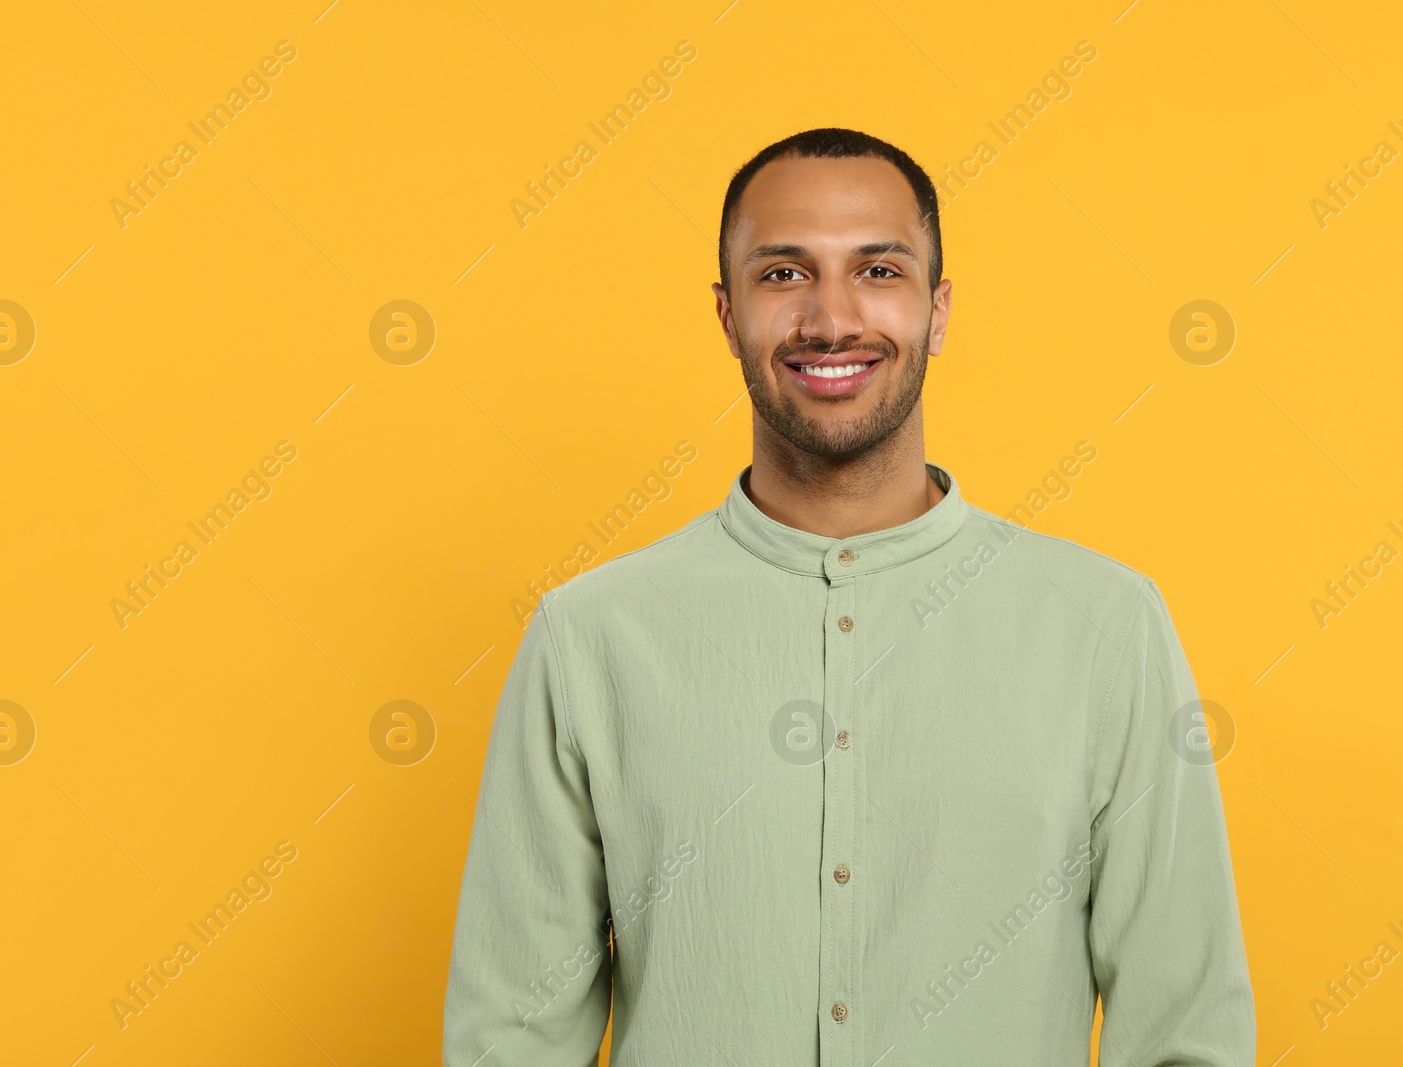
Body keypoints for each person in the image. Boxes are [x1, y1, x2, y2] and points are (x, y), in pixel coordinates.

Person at [443, 127, 1254, 1065]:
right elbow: (510, 1038)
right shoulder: (589, 637)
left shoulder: (1104, 625)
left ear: (938, 311)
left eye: (878, 270)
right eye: (784, 274)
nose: (832, 320)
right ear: (726, 312)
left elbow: (1187, 1034)